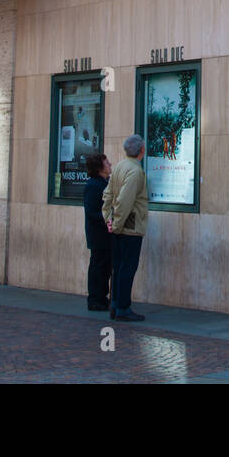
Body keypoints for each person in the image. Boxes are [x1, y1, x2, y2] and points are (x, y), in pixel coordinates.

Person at [102, 134, 149, 322]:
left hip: (119, 225)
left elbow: (108, 196)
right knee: (127, 267)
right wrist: (117, 224)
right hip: (130, 227)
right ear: (142, 151)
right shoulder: (136, 172)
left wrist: (109, 220)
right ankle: (122, 306)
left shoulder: (120, 167)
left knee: (119, 267)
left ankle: (116, 304)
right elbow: (124, 201)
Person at [82, 153, 112, 311]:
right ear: (99, 166)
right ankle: (95, 299)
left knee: (104, 267)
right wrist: (108, 220)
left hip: (104, 234)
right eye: (107, 162)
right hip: (98, 235)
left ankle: (101, 297)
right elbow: (93, 212)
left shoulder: (103, 183)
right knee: (98, 266)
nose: (110, 164)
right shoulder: (94, 185)